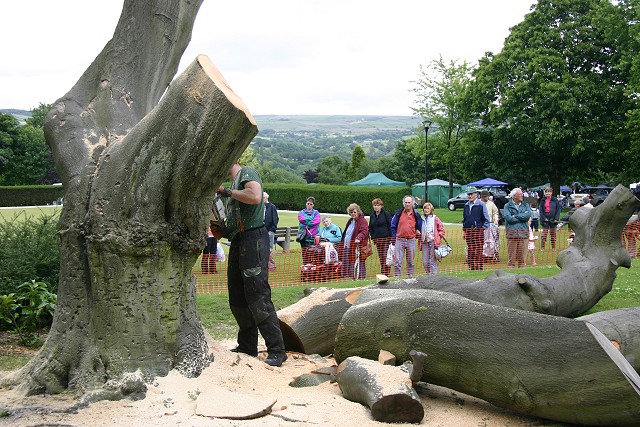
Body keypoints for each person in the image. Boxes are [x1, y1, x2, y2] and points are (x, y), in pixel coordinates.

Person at [214, 162, 287, 367]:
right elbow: (234, 222)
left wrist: (226, 191)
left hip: (254, 239)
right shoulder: (233, 186)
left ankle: (277, 350)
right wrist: (222, 229)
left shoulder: (246, 173)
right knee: (237, 296)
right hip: (239, 241)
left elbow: (255, 197)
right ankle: (247, 346)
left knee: (257, 296)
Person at [390, 195, 423, 277]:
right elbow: (393, 225)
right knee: (397, 261)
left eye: (409, 202)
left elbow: (420, 226)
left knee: (410, 261)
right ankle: (397, 278)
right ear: (403, 203)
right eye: (406, 202)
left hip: (411, 240)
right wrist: (395, 238)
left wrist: (417, 233)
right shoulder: (398, 213)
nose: (407, 204)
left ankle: (410, 277)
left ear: (412, 203)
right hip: (400, 240)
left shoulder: (416, 214)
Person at [503, 187, 532, 268]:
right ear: (514, 196)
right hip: (512, 234)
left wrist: (515, 216)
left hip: (523, 234)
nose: (522, 195)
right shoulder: (507, 206)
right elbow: (509, 218)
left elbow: (527, 216)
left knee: (522, 259)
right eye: (520, 194)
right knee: (511, 260)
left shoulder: (525, 205)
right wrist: (521, 217)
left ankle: (522, 273)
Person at [462, 189, 490, 270]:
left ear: (476, 195)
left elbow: (486, 219)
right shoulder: (466, 205)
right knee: (470, 250)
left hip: (478, 231)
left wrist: (481, 229)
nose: (469, 196)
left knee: (478, 250)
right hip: (468, 231)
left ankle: (479, 267)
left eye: (471, 194)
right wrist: (464, 230)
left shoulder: (481, 205)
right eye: (468, 194)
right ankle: (472, 267)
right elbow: (465, 219)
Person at [342, 203, 369, 279]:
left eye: (354, 212)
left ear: (358, 212)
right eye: (351, 212)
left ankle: (361, 278)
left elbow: (364, 231)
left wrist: (358, 238)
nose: (353, 214)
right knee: (349, 261)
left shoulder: (362, 221)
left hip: (357, 246)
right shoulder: (350, 221)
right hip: (347, 245)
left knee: (359, 262)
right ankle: (351, 277)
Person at [368, 198, 393, 276]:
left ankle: (386, 272)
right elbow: (370, 227)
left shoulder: (386, 214)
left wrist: (391, 238)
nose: (376, 207)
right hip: (377, 240)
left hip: (386, 239)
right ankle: (383, 271)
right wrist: (373, 237)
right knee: (381, 257)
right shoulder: (372, 216)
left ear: (381, 206)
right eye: (375, 205)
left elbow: (391, 225)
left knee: (385, 255)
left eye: (378, 205)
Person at [419, 202, 445, 274]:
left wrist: (438, 237)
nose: (426, 210)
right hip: (424, 242)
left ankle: (433, 275)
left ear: (431, 210)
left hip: (433, 242)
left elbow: (441, 229)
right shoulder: (421, 218)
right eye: (425, 208)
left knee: (432, 260)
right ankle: (428, 274)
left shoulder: (435, 218)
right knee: (425, 261)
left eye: (428, 208)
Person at [298, 196, 321, 264]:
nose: (309, 205)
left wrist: (307, 222)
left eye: (311, 204)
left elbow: (317, 221)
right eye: (308, 203)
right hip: (304, 237)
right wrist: (310, 220)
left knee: (313, 253)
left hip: (313, 237)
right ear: (306, 203)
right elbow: (301, 219)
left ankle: (312, 267)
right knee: (305, 254)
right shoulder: (301, 212)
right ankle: (305, 267)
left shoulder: (316, 212)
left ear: (313, 205)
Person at [263, 192, 279, 271]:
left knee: (269, 249)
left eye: (264, 198)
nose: (263, 199)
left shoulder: (272, 206)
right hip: (262, 231)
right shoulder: (260, 207)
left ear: (267, 198)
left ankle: (271, 266)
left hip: (270, 231)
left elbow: (275, 218)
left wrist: (272, 229)